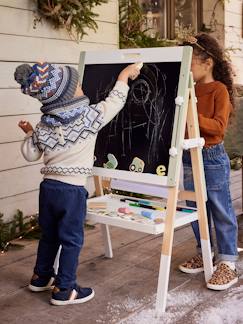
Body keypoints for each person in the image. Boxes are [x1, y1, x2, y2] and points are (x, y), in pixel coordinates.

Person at [15, 61, 141, 305]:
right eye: (78, 85)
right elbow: (115, 102)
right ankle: (65, 289)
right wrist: (124, 76)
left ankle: (41, 277)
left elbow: (32, 155)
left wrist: (31, 134)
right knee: (72, 240)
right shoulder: (88, 118)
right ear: (65, 94)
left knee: (49, 235)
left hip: (48, 189)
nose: (83, 87)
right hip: (71, 191)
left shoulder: (44, 125)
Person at [178, 33, 238, 290]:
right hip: (187, 155)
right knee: (194, 209)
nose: (186, 69)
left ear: (208, 62)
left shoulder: (218, 90)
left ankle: (227, 261)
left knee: (219, 208)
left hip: (211, 155)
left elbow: (218, 128)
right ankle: (206, 252)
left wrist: (191, 114)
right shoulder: (186, 89)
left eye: (189, 63)